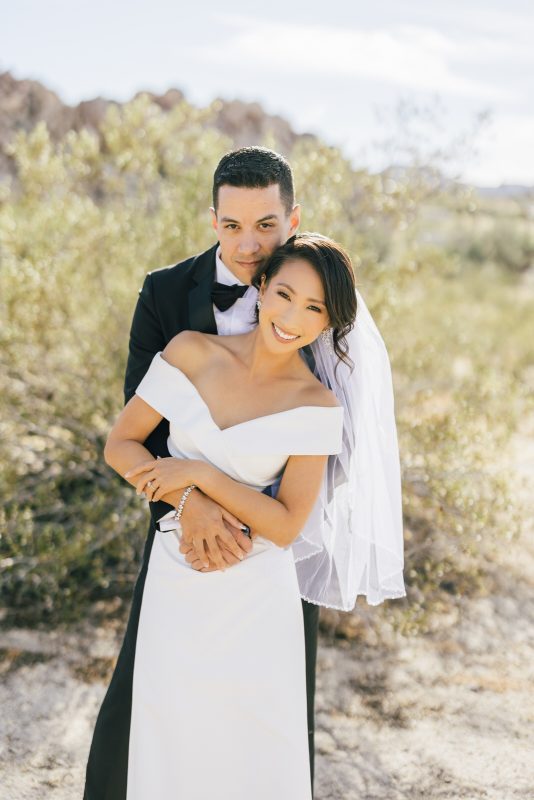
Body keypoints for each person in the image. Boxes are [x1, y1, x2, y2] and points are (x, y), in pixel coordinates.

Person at [83, 148, 406, 799]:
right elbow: (133, 436)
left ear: (292, 218)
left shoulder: (320, 311)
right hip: (179, 545)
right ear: (214, 220)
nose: (249, 243)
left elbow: (327, 467)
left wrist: (231, 494)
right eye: (233, 226)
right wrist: (187, 502)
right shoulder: (170, 300)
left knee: (267, 731)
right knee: (143, 718)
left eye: (266, 225)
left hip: (268, 567)